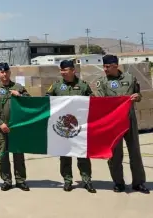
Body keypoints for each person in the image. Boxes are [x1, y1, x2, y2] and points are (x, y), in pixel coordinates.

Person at [95, 54, 149, 194]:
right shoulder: (102, 82)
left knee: (135, 152)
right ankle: (118, 182)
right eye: (104, 66)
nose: (105, 69)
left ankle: (139, 183)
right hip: (113, 122)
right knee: (115, 154)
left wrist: (137, 97)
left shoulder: (130, 78)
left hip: (129, 119)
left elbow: (138, 94)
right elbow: (101, 102)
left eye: (108, 66)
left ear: (115, 66)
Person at [46, 60, 96, 193]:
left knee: (83, 155)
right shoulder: (56, 86)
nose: (63, 72)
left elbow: (93, 102)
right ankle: (67, 180)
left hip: (79, 127)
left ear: (73, 70)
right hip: (62, 127)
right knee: (65, 154)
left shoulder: (83, 86)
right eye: (61, 70)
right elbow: (46, 101)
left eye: (65, 70)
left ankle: (86, 180)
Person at [0, 62, 30, 191]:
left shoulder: (18, 86)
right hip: (2, 127)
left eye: (6, 72)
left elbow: (30, 101)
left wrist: (20, 95)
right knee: (3, 155)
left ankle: (20, 180)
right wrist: (0, 123)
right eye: (1, 72)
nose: (4, 74)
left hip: (17, 127)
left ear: (10, 73)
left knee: (18, 155)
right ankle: (7, 180)